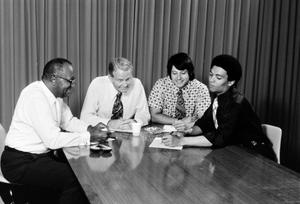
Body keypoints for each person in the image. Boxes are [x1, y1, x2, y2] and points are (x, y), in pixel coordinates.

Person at [1, 58, 108, 204]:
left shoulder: (56, 97)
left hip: (39, 158)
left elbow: (69, 121)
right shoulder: (35, 96)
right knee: (77, 180)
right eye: (69, 81)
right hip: (19, 162)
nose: (72, 85)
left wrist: (90, 128)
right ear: (53, 78)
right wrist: (89, 137)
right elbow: (52, 140)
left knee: (80, 172)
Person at [162, 54, 277, 162]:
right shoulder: (218, 97)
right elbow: (204, 123)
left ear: (231, 82)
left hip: (256, 156)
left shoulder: (236, 103)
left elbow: (219, 137)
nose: (211, 80)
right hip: (235, 152)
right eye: (211, 74)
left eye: (218, 77)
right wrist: (186, 131)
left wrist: (181, 141)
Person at [80, 57, 150, 130]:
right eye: (120, 80)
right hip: (101, 131)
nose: (125, 84)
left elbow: (144, 114)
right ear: (110, 77)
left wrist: (135, 122)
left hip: (126, 131)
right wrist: (109, 123)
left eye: (128, 79)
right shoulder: (97, 84)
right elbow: (85, 117)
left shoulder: (137, 84)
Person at [148, 52, 210, 128]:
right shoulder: (160, 85)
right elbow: (154, 116)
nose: (178, 78)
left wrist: (189, 124)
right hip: (163, 130)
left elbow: (204, 118)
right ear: (170, 73)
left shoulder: (201, 88)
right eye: (174, 73)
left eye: (183, 73)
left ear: (189, 72)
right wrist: (179, 122)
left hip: (190, 131)